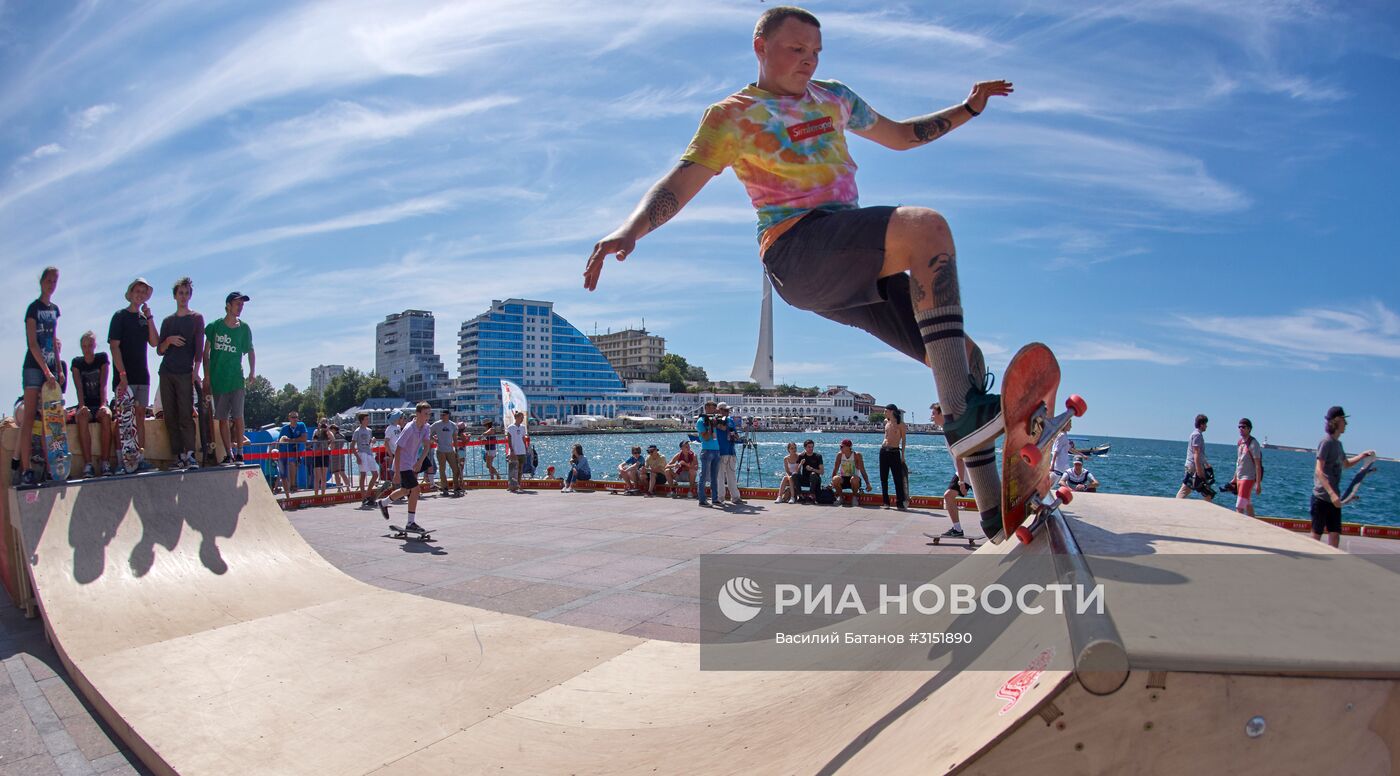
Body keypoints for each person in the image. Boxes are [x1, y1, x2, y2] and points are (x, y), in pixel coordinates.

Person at [584, 6, 1011, 537]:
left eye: (815, 53)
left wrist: (969, 108)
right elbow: (681, 179)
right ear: (760, 47)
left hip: (851, 265)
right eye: (795, 50)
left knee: (964, 358)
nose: (808, 62)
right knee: (926, 229)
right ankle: (966, 420)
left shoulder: (833, 97)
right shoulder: (733, 115)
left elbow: (901, 136)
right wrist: (631, 230)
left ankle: (996, 509)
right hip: (797, 249)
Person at [13, 267, 61, 486]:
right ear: (41, 282)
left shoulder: (54, 310)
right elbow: (32, 343)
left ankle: (51, 469)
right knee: (30, 417)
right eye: (48, 280)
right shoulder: (33, 309)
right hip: (34, 368)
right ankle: (26, 469)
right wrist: (46, 370)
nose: (51, 284)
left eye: (54, 281)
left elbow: (53, 339)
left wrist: (58, 368)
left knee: (48, 420)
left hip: (50, 367)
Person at [108, 278, 159, 472]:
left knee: (139, 418)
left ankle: (139, 458)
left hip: (142, 376)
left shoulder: (143, 319)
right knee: (123, 419)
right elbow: (114, 346)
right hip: (124, 378)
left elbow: (154, 343)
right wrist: (122, 374)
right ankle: (122, 461)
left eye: (143, 292)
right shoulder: (119, 316)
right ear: (130, 293)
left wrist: (150, 317)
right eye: (137, 291)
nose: (139, 294)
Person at [156, 277, 205, 470]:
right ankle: (178, 455)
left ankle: (191, 454)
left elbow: (199, 348)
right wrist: (168, 341)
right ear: (175, 296)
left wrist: (196, 371)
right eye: (180, 293)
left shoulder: (196, 318)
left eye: (186, 293)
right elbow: (159, 350)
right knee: (170, 414)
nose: (183, 297)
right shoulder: (168, 321)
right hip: (167, 371)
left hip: (186, 372)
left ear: (190, 296)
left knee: (186, 413)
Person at [1311, 406, 1374, 548]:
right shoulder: (1326, 442)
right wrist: (1332, 494)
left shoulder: (1338, 445)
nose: (1346, 424)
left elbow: (1346, 464)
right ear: (1337, 421)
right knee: (1316, 537)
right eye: (1344, 421)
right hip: (1321, 497)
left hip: (1335, 500)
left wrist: (1362, 456)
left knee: (1335, 535)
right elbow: (1319, 470)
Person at [203, 292, 254, 464]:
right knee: (222, 418)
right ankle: (229, 453)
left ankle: (240, 452)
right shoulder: (214, 326)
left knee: (238, 416)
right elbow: (206, 353)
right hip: (218, 380)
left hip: (236, 380)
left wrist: (252, 372)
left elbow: (250, 351)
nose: (240, 307)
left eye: (242, 304)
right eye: (237, 303)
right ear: (228, 305)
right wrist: (207, 376)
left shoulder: (244, 328)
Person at [378, 402, 434, 533]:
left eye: (429, 414)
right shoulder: (409, 428)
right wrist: (396, 472)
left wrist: (420, 461)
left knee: (405, 491)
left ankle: (383, 503)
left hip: (412, 462)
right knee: (415, 490)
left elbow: (427, 446)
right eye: (425, 414)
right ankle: (410, 522)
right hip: (403, 463)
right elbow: (398, 450)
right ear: (418, 413)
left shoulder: (426, 427)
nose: (428, 416)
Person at [932, 403, 979, 539]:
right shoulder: (949, 430)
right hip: (966, 471)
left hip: (970, 472)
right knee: (949, 496)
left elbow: (960, 457)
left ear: (942, 414)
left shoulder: (951, 432)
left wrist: (962, 481)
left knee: (986, 502)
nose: (932, 417)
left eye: (934, 414)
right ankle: (957, 529)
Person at [71, 330, 113, 478]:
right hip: (86, 403)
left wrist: (103, 404)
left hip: (99, 402)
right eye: (84, 346)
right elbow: (79, 387)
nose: (87, 349)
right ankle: (88, 464)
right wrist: (82, 406)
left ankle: (105, 462)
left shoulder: (102, 358)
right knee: (81, 417)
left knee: (106, 416)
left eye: (90, 345)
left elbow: (103, 384)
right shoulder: (77, 363)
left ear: (94, 345)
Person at [1174, 414, 1213, 500]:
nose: (1206, 426)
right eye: (1205, 424)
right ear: (1201, 424)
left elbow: (1200, 454)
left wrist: (1206, 464)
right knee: (1186, 489)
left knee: (1206, 491)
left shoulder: (1197, 435)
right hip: (1193, 467)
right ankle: (1176, 505)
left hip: (1195, 466)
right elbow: (1196, 453)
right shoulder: (1197, 435)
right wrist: (1199, 471)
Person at [1230, 418, 1263, 517]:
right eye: (1239, 427)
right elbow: (1238, 462)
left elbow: (1258, 464)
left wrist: (1258, 483)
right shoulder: (1240, 443)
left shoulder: (1253, 444)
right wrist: (1235, 477)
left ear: (1249, 429)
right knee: (1247, 503)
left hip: (1248, 478)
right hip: (1240, 477)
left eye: (1243, 427)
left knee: (1239, 506)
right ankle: (1254, 524)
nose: (1241, 429)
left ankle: (1239, 527)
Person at [714, 403, 745, 505]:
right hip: (721, 451)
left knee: (731, 475)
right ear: (719, 410)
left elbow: (734, 433)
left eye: (728, 410)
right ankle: (720, 497)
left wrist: (735, 436)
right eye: (725, 410)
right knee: (720, 476)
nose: (727, 412)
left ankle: (735, 497)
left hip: (731, 451)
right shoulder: (715, 420)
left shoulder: (730, 420)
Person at [878, 403, 908, 509]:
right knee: (883, 477)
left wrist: (903, 455)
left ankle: (900, 502)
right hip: (883, 451)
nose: (884, 413)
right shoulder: (886, 422)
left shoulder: (901, 424)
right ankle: (886, 502)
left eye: (886, 411)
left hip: (894, 452)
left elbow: (904, 440)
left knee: (897, 478)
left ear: (892, 411)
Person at [694, 400, 723, 507]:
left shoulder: (713, 420)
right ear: (706, 408)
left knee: (714, 477)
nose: (713, 410)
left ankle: (715, 499)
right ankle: (702, 499)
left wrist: (718, 421)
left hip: (716, 450)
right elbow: (705, 437)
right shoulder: (701, 421)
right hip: (707, 450)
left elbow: (723, 427)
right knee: (704, 476)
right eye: (711, 408)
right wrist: (711, 426)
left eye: (714, 408)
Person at [431, 409, 464, 496]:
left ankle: (456, 487)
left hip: (450, 450)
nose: (442, 416)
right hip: (440, 450)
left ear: (448, 415)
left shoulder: (453, 425)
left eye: (444, 415)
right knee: (442, 470)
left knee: (456, 469)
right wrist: (434, 440)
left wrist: (456, 449)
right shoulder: (437, 424)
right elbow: (428, 433)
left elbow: (455, 438)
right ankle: (444, 487)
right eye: (441, 415)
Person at [829, 439, 871, 506]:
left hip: (854, 479)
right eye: (840, 446)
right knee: (835, 479)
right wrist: (832, 483)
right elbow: (835, 469)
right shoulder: (839, 455)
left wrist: (867, 484)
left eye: (842, 447)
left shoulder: (857, 455)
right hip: (843, 478)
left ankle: (854, 497)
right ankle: (841, 497)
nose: (840, 448)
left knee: (854, 479)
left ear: (849, 447)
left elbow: (863, 470)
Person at [352, 411, 380, 506]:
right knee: (363, 475)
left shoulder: (369, 430)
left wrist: (372, 441)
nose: (368, 420)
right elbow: (352, 446)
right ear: (362, 420)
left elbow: (369, 444)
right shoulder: (357, 431)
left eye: (368, 419)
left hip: (369, 453)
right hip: (362, 453)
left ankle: (368, 494)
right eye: (366, 419)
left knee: (375, 474)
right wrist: (357, 456)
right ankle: (363, 497)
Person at [278, 411, 308, 495]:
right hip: (283, 452)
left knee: (292, 463)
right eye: (293, 417)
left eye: (296, 417)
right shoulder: (284, 428)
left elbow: (304, 438)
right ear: (289, 418)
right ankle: (287, 494)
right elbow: (279, 441)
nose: (295, 419)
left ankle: (293, 485)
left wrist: (290, 440)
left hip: (295, 453)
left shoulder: (301, 425)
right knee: (282, 474)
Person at [795, 439, 824, 503]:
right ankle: (800, 496)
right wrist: (801, 464)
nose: (811, 448)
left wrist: (812, 469)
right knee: (794, 475)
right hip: (805, 479)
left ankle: (811, 495)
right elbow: (796, 471)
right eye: (809, 447)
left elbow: (822, 472)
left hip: (815, 479)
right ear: (805, 447)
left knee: (813, 474)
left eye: (812, 447)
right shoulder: (801, 456)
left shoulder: (818, 456)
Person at [505, 410, 528, 492]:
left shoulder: (523, 427)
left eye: (523, 418)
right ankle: (511, 485)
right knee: (513, 469)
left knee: (520, 469)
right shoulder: (511, 427)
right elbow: (509, 439)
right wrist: (511, 450)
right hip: (514, 451)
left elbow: (523, 438)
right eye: (521, 417)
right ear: (516, 418)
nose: (522, 419)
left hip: (521, 450)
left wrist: (525, 447)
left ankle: (518, 484)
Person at [310, 420, 332, 497]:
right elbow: (314, 440)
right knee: (317, 476)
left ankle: (323, 494)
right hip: (317, 455)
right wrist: (319, 430)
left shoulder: (327, 432)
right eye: (322, 423)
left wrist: (327, 430)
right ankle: (316, 495)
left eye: (325, 423)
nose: (323, 425)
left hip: (325, 454)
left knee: (324, 476)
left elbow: (333, 439)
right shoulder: (316, 431)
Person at [327, 423, 350, 491]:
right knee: (342, 472)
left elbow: (332, 447)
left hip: (334, 455)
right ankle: (348, 487)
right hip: (341, 455)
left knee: (336, 473)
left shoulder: (333, 437)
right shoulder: (342, 436)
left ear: (333, 429)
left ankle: (339, 488)